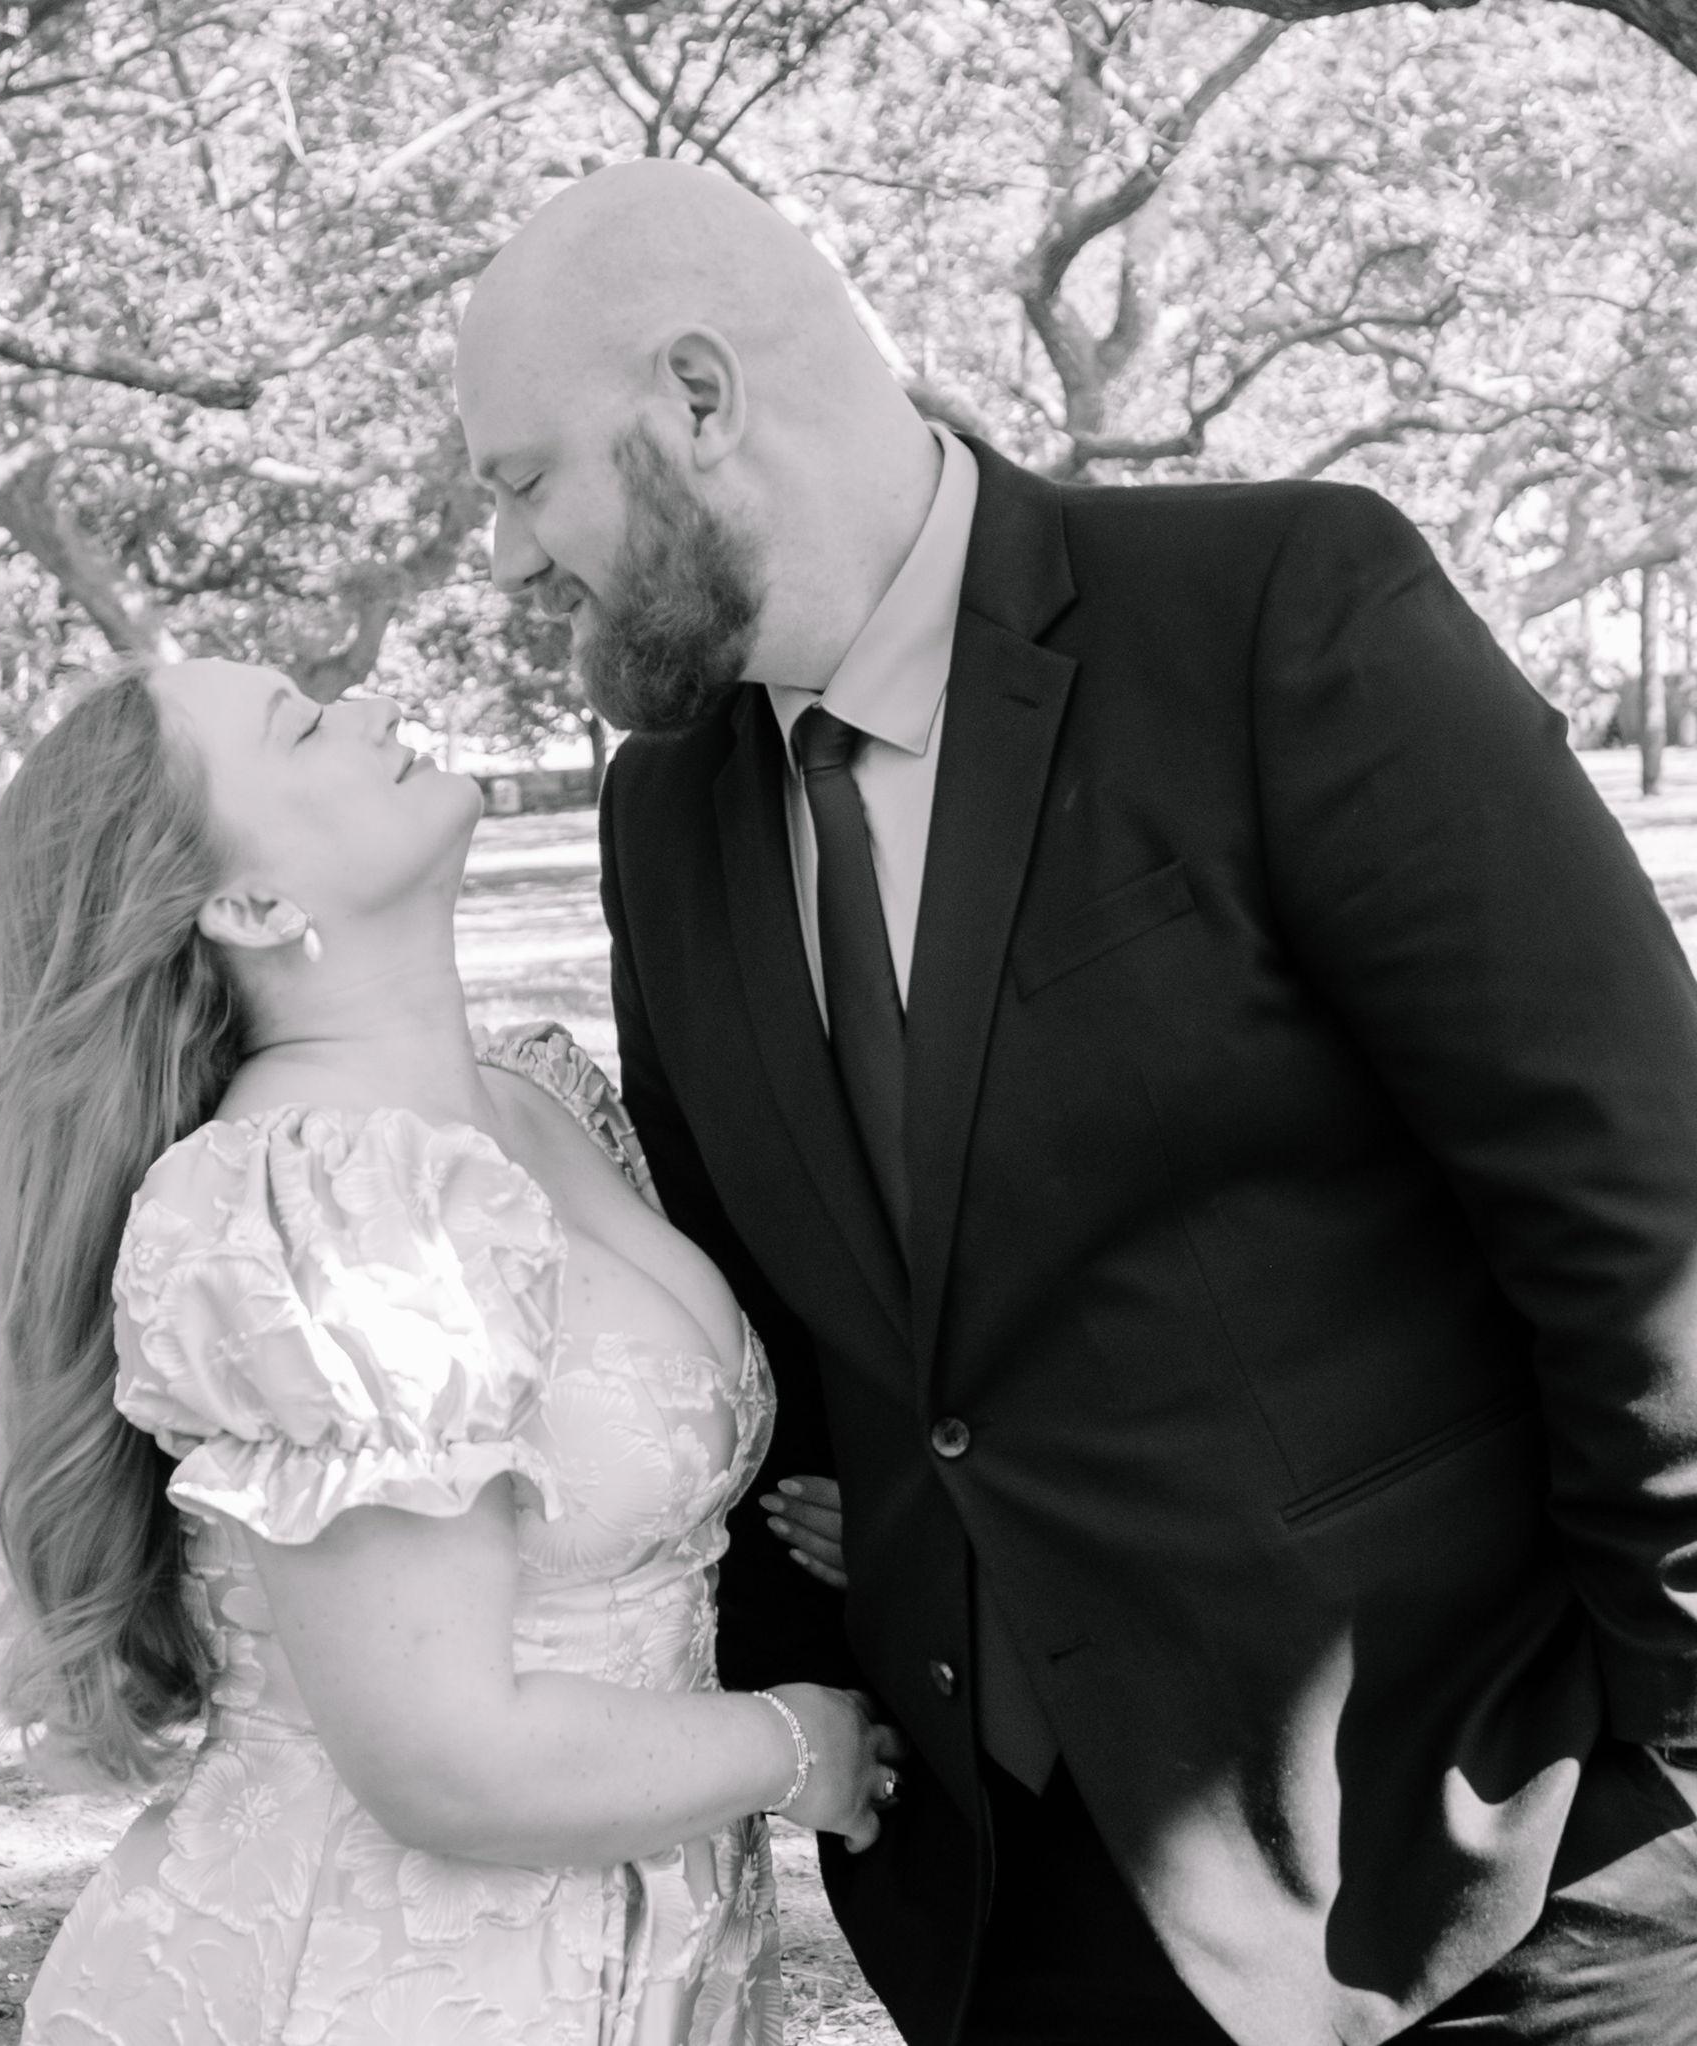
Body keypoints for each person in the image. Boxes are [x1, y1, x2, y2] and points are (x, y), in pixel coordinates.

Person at [452, 159, 1697, 2046]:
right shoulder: (667, 817)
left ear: (697, 398)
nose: (509, 559)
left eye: (523, 480)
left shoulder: (1275, 612)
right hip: (1005, 1930)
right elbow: (777, 1335)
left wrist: (1670, 1770)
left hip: (1491, 1882)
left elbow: (1635, 1199)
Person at [0, 658, 904, 2045]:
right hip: (393, 1978)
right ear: (250, 908)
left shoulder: (537, 1100)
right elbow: (449, 1759)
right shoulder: (318, 1204)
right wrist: (797, 1743)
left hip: (643, 1944)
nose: (373, 708)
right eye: (302, 726)